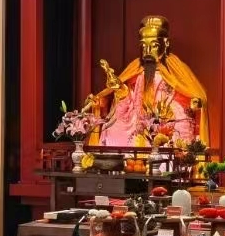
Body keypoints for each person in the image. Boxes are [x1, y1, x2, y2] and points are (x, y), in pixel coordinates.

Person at [88, 15, 209, 148]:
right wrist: (121, 90)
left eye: (154, 46)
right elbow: (129, 100)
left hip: (169, 118)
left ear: (166, 43)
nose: (148, 51)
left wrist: (194, 102)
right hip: (138, 119)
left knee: (176, 131)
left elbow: (190, 94)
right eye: (144, 46)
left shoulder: (176, 68)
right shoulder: (136, 67)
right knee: (113, 126)